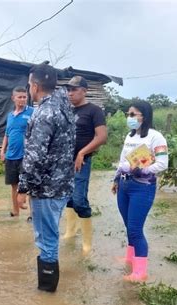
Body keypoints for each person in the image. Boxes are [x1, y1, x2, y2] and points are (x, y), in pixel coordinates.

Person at [17, 64, 75, 293]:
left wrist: (23, 188)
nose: (29, 89)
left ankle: (46, 293)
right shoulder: (64, 106)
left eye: (30, 84)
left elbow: (35, 156)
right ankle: (47, 291)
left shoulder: (44, 113)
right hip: (62, 184)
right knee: (49, 237)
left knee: (46, 241)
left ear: (35, 85)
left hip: (46, 188)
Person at [111, 100, 168, 282]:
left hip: (142, 187)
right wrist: (116, 178)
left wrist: (142, 170)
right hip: (124, 185)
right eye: (129, 114)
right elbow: (122, 161)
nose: (130, 118)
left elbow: (162, 164)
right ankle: (130, 258)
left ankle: (140, 272)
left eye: (133, 114)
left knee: (136, 229)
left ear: (144, 116)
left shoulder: (155, 137)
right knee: (129, 225)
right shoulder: (130, 136)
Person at [62, 76, 107, 256]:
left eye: (74, 90)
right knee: (68, 198)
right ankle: (70, 232)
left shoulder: (94, 111)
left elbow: (101, 137)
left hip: (82, 161)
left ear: (84, 91)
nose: (70, 93)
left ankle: (87, 243)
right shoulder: (67, 111)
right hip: (64, 163)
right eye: (69, 90)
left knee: (80, 200)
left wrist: (82, 153)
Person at [0, 87, 34, 219]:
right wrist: (3, 150)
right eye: (19, 97)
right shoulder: (10, 115)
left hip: (26, 155)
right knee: (14, 185)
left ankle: (32, 214)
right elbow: (7, 134)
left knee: (30, 185)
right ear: (13, 98)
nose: (22, 99)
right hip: (11, 155)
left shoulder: (32, 112)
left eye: (24, 97)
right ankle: (15, 212)